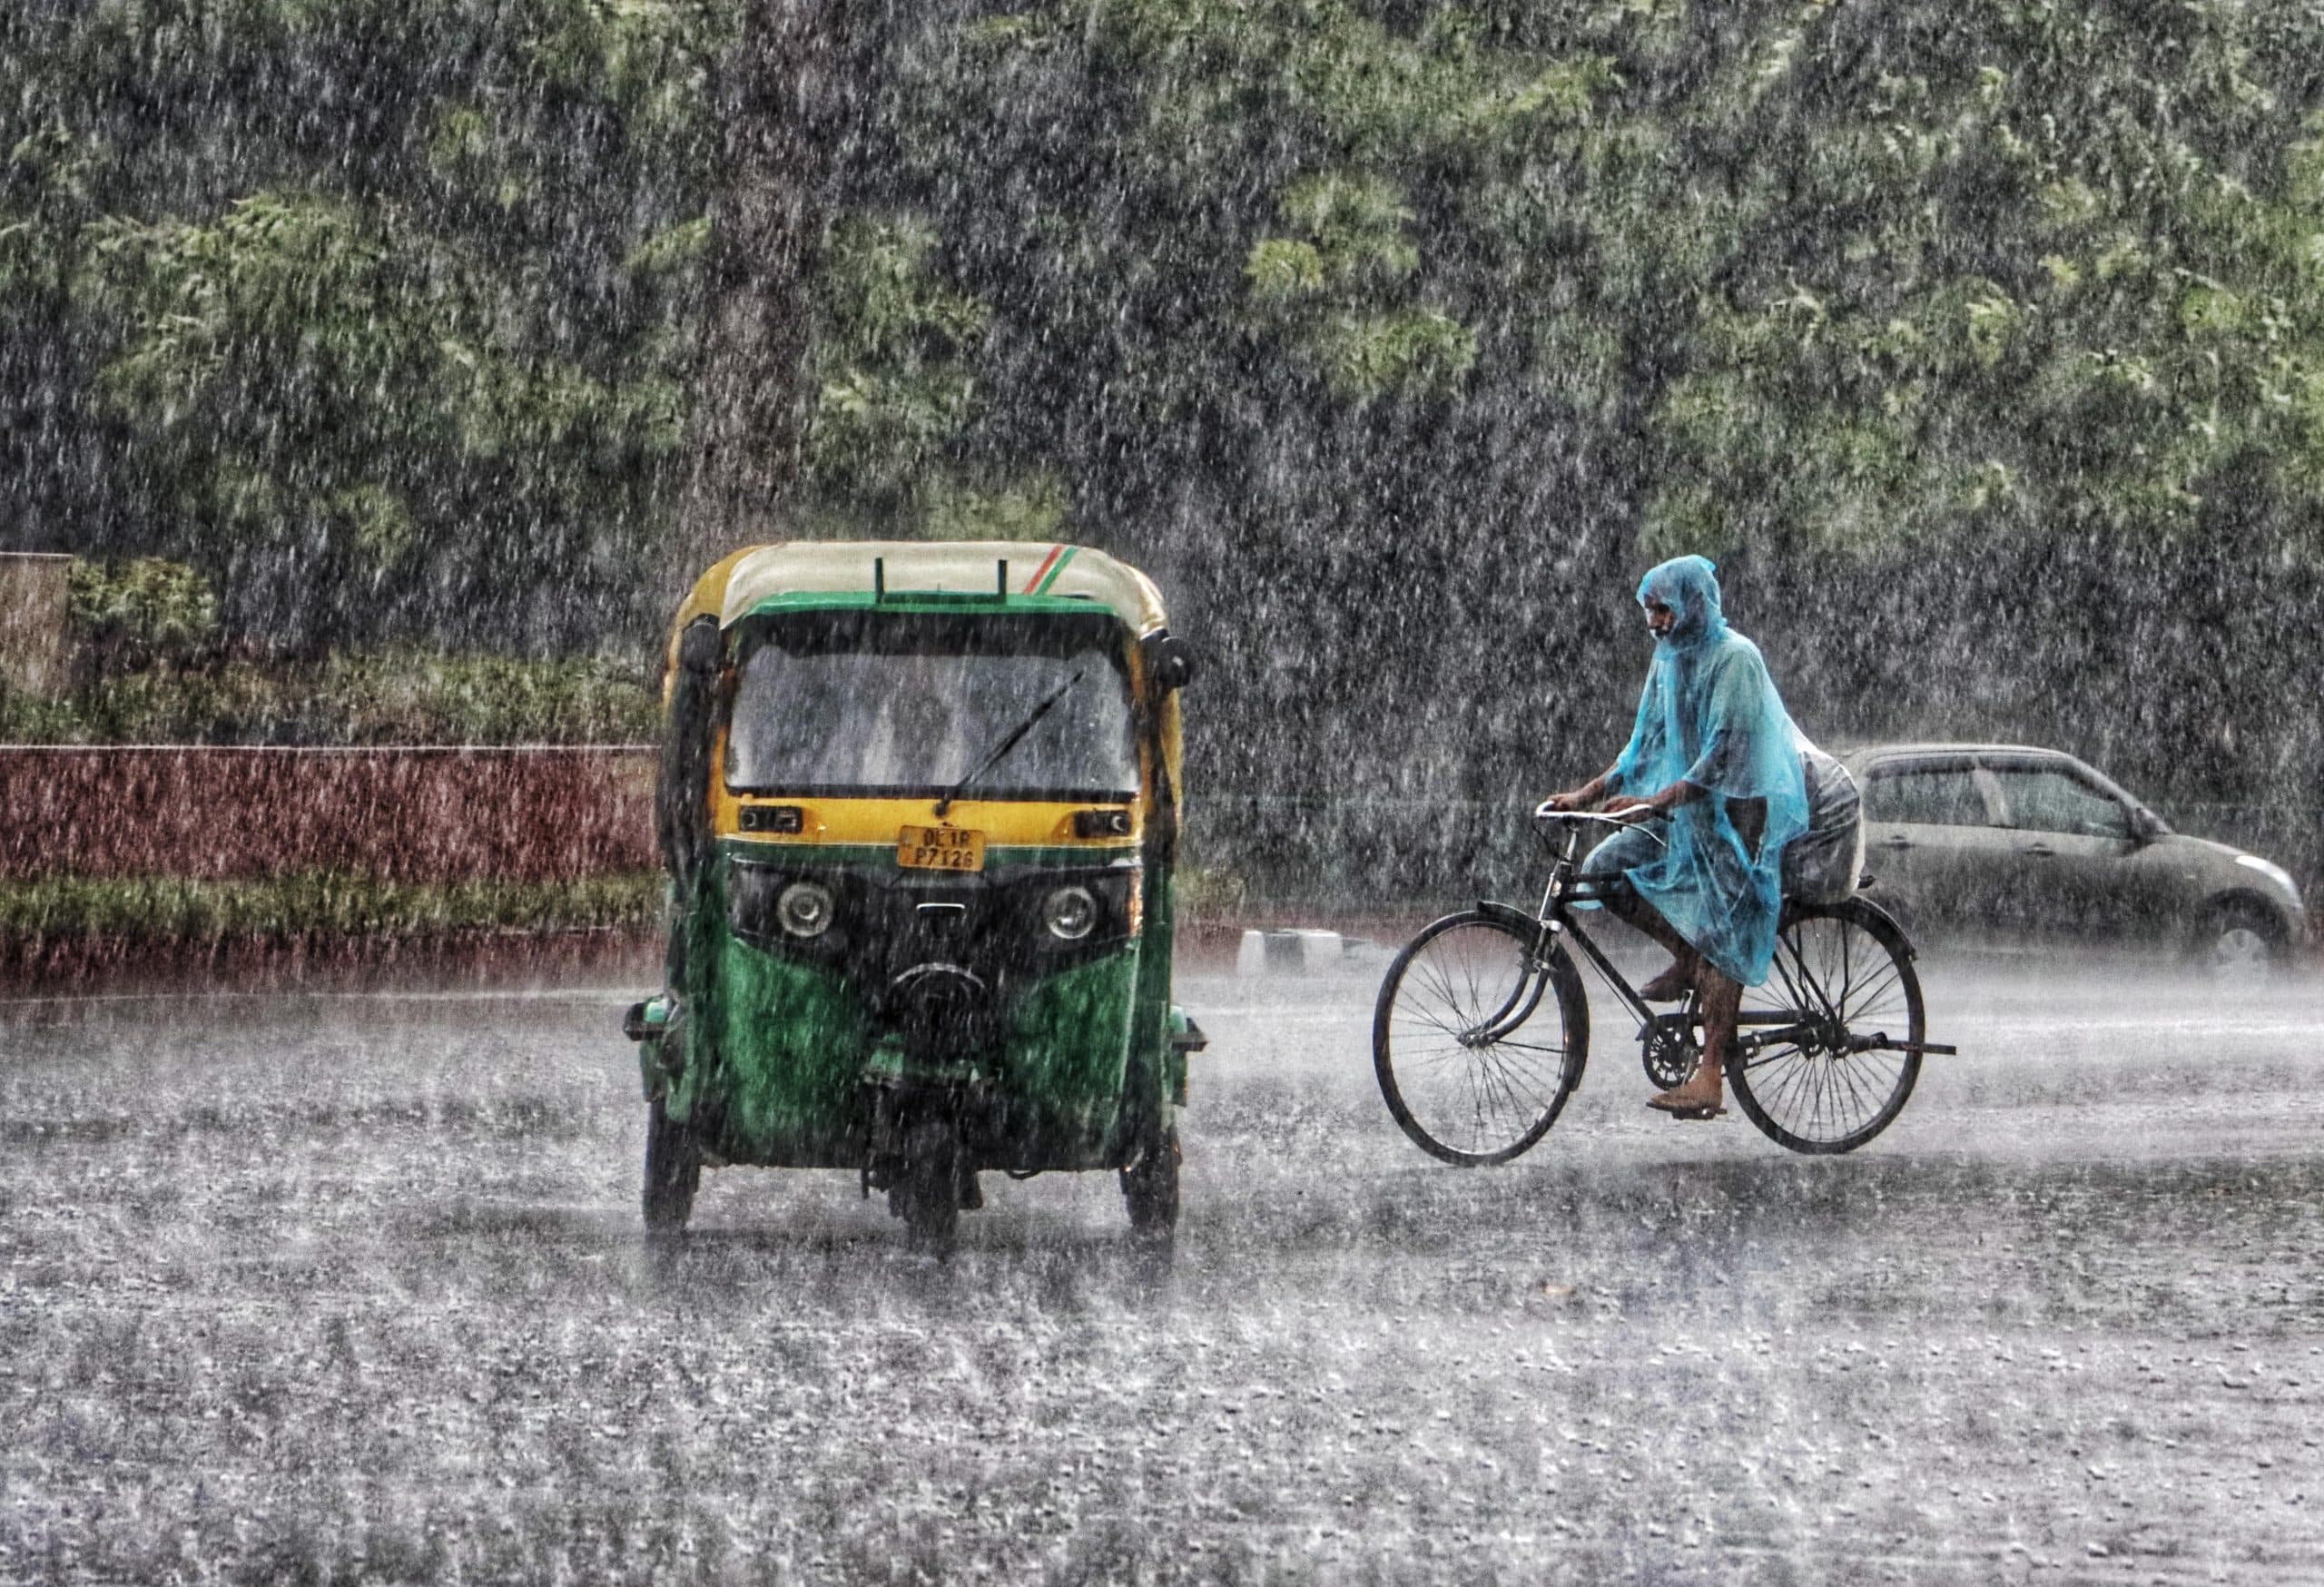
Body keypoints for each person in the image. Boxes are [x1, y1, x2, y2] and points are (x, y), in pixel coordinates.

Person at [1542, 555, 1808, 1119]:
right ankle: (1684, 952)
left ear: (1692, 604)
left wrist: (1653, 800)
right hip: (1689, 816)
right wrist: (1587, 794)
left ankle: (1710, 1073)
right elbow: (1644, 742)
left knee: (1723, 935)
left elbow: (1724, 754)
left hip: (1740, 817)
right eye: (1648, 610)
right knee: (1605, 870)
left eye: (1663, 609)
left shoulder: (1735, 658)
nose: (1654, 622)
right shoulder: (1668, 661)